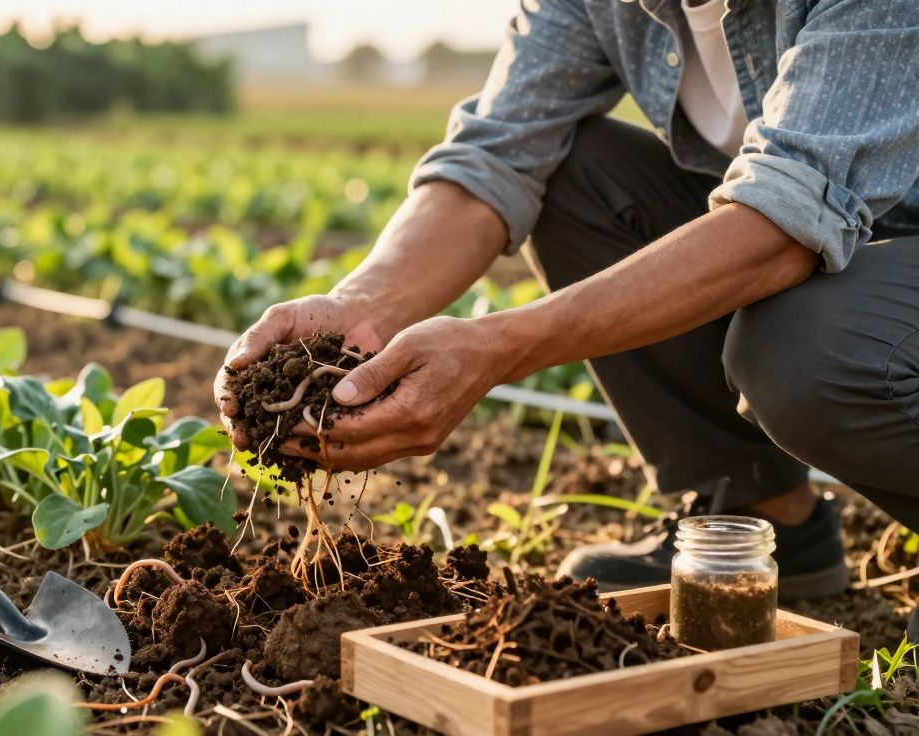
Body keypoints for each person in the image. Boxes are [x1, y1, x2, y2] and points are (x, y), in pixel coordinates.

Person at [215, 0, 919, 633]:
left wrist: (500, 346)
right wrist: (360, 306)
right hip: (831, 252)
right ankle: (759, 520)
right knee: (578, 171)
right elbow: (494, 156)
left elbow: (781, 224)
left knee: (803, 349)